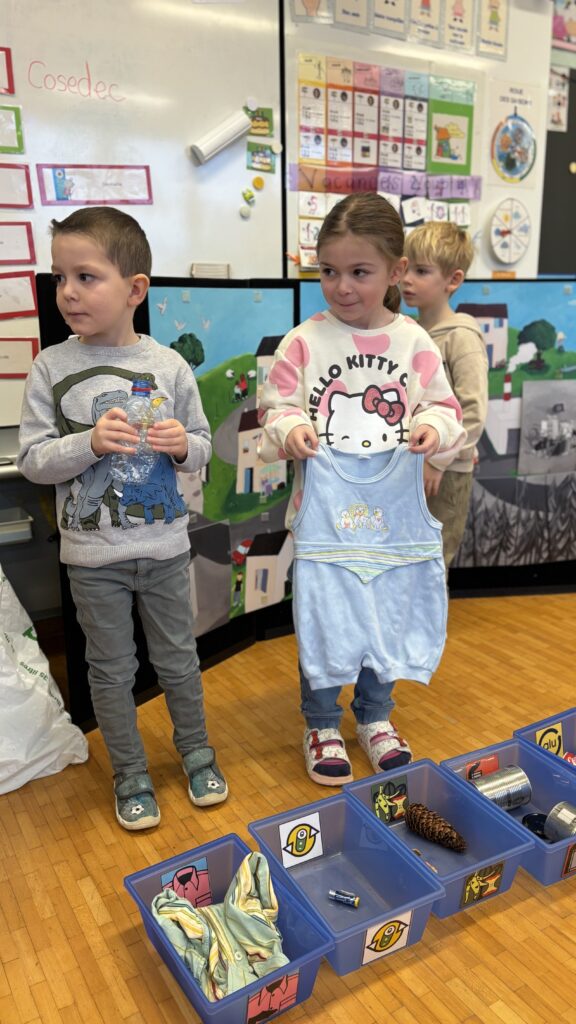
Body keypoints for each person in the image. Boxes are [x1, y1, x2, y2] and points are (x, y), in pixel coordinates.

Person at [17, 206, 228, 831]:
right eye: (60, 278)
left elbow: (204, 446)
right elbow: (32, 461)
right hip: (92, 559)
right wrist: (88, 443)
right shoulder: (50, 367)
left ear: (135, 289)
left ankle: (197, 753)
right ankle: (130, 773)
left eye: (86, 277)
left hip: (165, 549)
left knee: (179, 661)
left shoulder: (170, 367)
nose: (67, 293)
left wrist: (182, 445)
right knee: (110, 671)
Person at [257, 192, 465, 786]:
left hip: (395, 519)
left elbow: (447, 410)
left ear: (395, 271)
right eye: (329, 271)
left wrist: (433, 428)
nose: (341, 287)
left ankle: (375, 715)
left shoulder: (415, 342)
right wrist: (290, 427)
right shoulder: (304, 341)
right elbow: (272, 408)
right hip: (325, 520)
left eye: (359, 272)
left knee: (385, 618)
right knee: (324, 618)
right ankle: (322, 722)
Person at [401, 221, 488, 569]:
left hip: (445, 471)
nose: (407, 279)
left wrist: (439, 462)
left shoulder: (460, 337)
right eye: (405, 267)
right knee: (408, 559)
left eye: (421, 271)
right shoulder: (411, 333)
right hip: (413, 463)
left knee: (432, 563)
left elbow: (473, 410)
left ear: (453, 280)